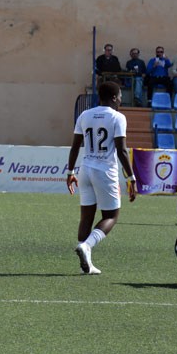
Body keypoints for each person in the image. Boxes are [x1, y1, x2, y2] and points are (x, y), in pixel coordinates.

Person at [66, 81, 137, 275]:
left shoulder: (84, 115)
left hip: (85, 169)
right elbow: (121, 150)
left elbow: (75, 146)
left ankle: (86, 264)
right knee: (111, 216)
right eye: (120, 95)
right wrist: (131, 178)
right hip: (105, 171)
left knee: (86, 217)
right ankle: (87, 247)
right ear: (114, 97)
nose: (121, 99)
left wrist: (70, 172)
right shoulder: (118, 117)